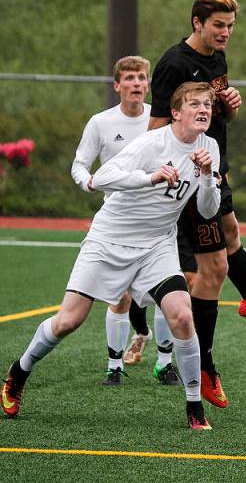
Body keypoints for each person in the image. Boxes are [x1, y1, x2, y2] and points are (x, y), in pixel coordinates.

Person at [0, 82, 221, 431]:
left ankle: (194, 408)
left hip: (156, 245)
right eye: (194, 103)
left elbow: (208, 211)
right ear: (176, 112)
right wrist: (150, 178)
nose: (203, 109)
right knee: (68, 321)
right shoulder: (153, 142)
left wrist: (208, 177)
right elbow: (102, 177)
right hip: (110, 238)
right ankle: (19, 371)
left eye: (207, 104)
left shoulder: (210, 147)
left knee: (181, 315)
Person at [150, 0, 246, 410]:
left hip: (213, 168)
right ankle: (205, 363)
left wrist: (230, 106)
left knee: (227, 240)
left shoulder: (218, 59)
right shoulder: (174, 63)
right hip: (189, 179)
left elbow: (212, 115)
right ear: (197, 23)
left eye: (230, 26)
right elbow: (158, 127)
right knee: (213, 267)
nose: (226, 32)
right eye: (218, 25)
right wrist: (167, 176)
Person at [70, 56, 179, 387]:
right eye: (129, 78)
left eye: (141, 78)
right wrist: (88, 182)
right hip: (118, 220)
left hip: (159, 219)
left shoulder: (159, 119)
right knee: (119, 296)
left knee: (167, 292)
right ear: (117, 85)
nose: (136, 83)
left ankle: (164, 363)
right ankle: (114, 366)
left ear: (148, 84)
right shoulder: (101, 122)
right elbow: (79, 164)